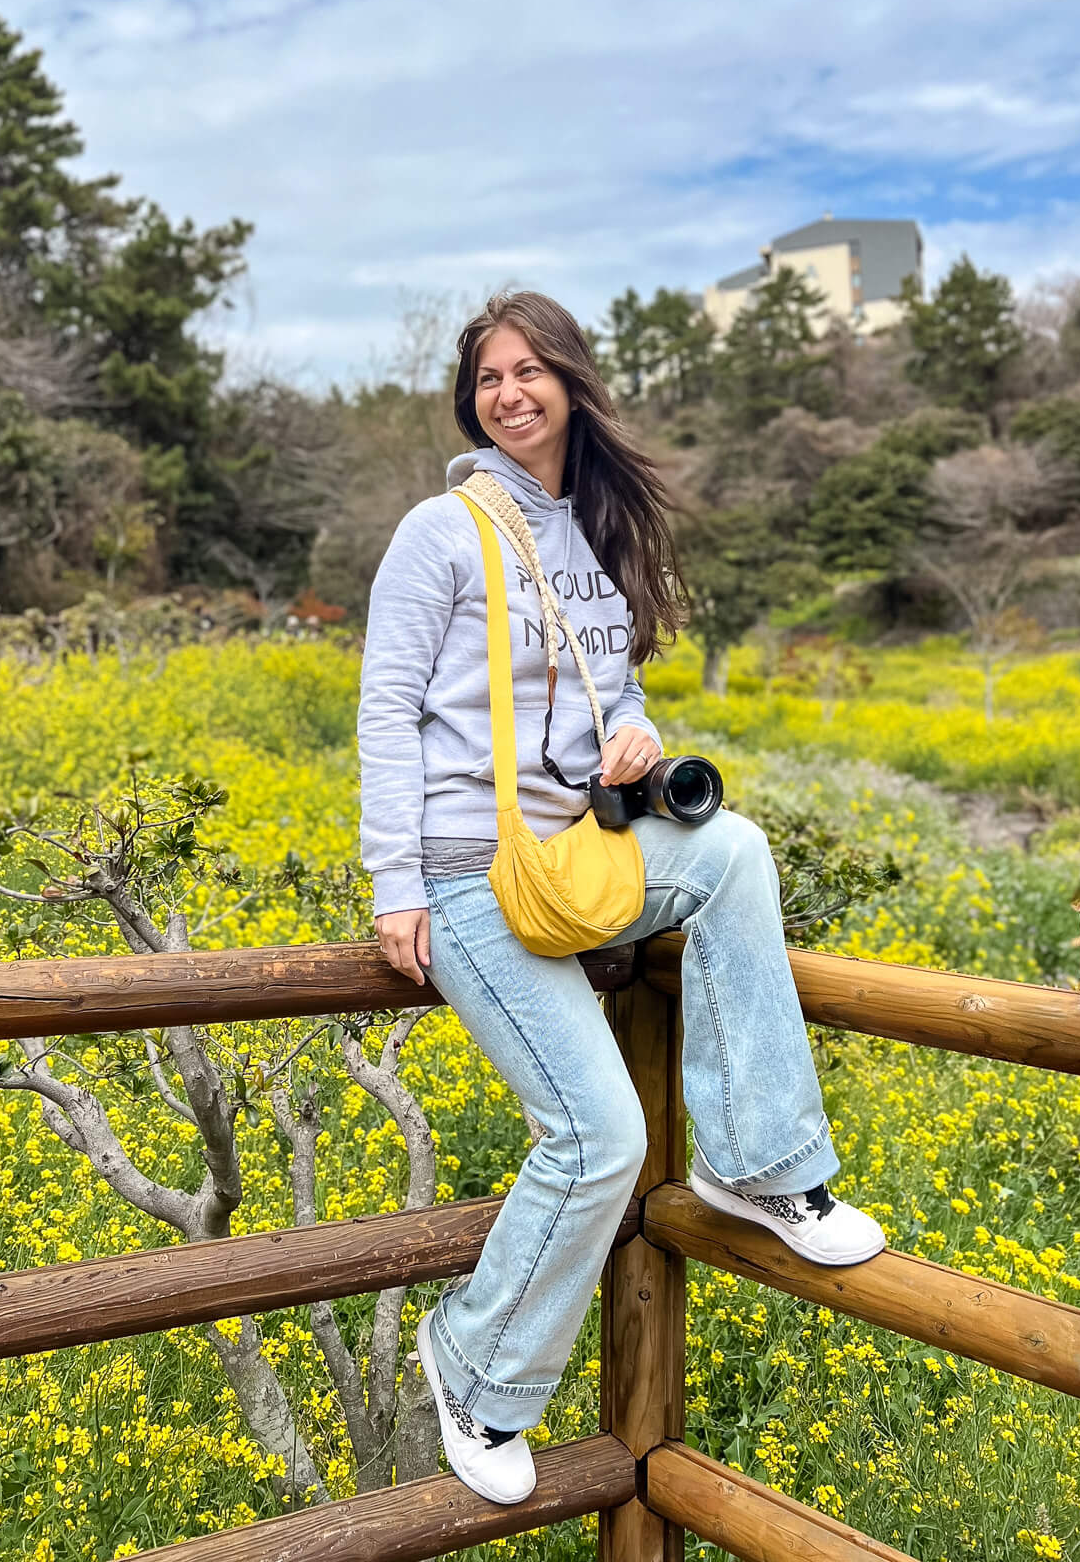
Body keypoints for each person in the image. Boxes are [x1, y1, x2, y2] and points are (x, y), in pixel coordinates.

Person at [358, 291, 883, 1506]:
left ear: (574, 386)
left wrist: (636, 737)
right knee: (602, 1138)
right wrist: (395, 886)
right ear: (471, 399)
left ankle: (762, 1163)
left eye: (533, 369)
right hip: (470, 873)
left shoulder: (594, 533)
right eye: (491, 376)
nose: (511, 392)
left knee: (734, 848)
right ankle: (476, 1365)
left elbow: (618, 687)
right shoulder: (440, 530)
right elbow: (388, 710)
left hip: (577, 856)